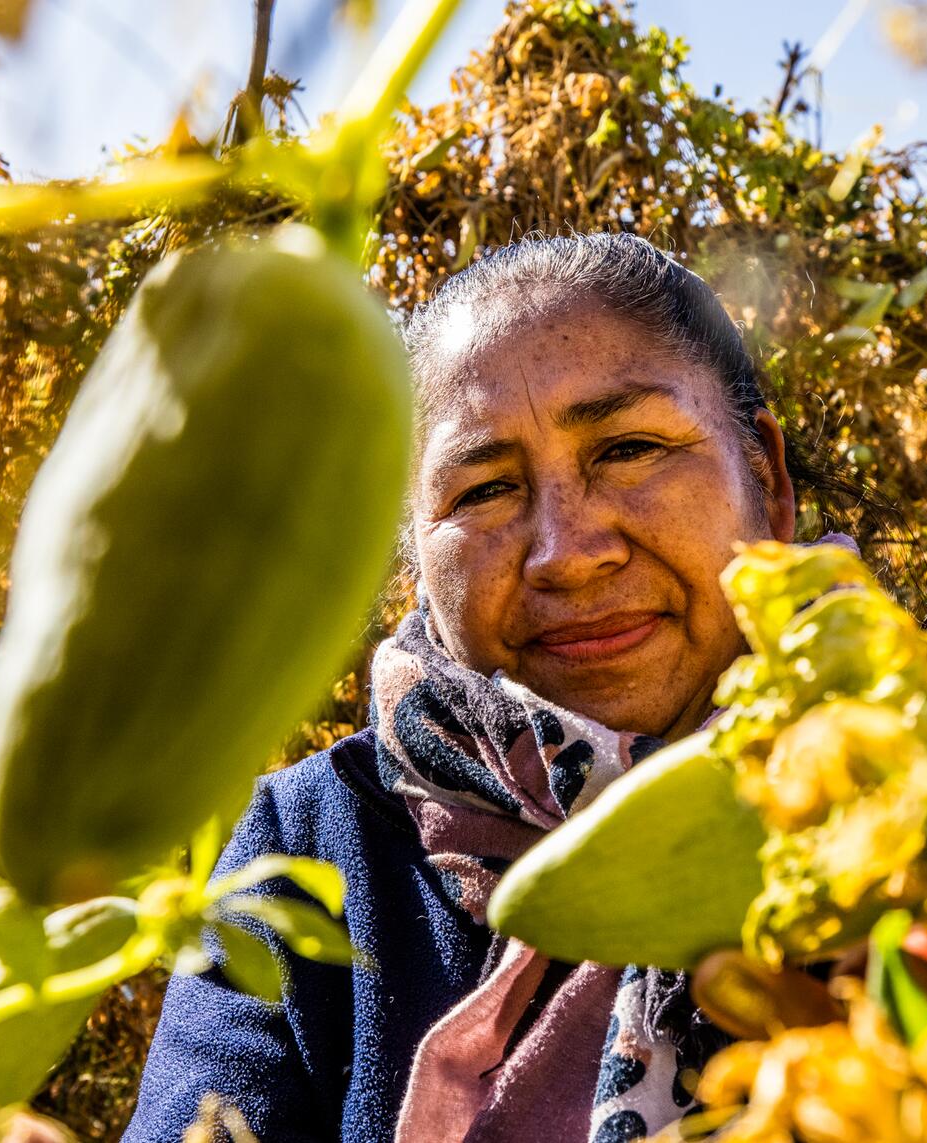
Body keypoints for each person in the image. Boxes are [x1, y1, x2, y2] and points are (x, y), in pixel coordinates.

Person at [120, 232, 825, 1143]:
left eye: (630, 447)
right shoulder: (310, 850)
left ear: (765, 479)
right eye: (486, 490)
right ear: (414, 552)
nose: (566, 554)